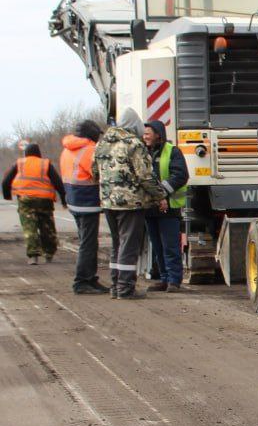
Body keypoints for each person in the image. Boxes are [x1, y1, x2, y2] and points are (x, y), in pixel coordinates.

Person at [92, 109, 166, 299]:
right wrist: (160, 196)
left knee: (117, 244)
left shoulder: (102, 144)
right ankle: (125, 289)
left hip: (108, 202)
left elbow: (94, 171)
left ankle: (116, 286)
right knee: (128, 245)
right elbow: (145, 176)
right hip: (130, 203)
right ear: (135, 126)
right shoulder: (134, 144)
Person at [61, 120, 110, 294]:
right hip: (87, 202)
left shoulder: (68, 149)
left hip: (74, 201)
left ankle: (90, 279)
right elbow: (99, 174)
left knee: (87, 242)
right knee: (88, 244)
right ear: (93, 135)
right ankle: (82, 282)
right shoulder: (89, 150)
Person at [141, 120, 189, 292]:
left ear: (158, 134)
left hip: (169, 207)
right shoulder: (142, 152)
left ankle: (174, 280)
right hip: (150, 208)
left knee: (170, 246)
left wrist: (160, 192)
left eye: (148, 133)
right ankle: (164, 279)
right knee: (157, 246)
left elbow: (181, 175)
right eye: (144, 133)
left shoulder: (173, 152)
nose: (144, 136)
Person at [3, 144, 66, 265]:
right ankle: (49, 253)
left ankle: (33, 256)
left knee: (29, 227)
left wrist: (7, 196)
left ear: (26, 153)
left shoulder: (19, 163)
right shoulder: (45, 164)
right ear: (39, 153)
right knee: (47, 226)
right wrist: (63, 200)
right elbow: (58, 183)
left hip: (26, 200)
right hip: (44, 200)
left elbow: (6, 182)